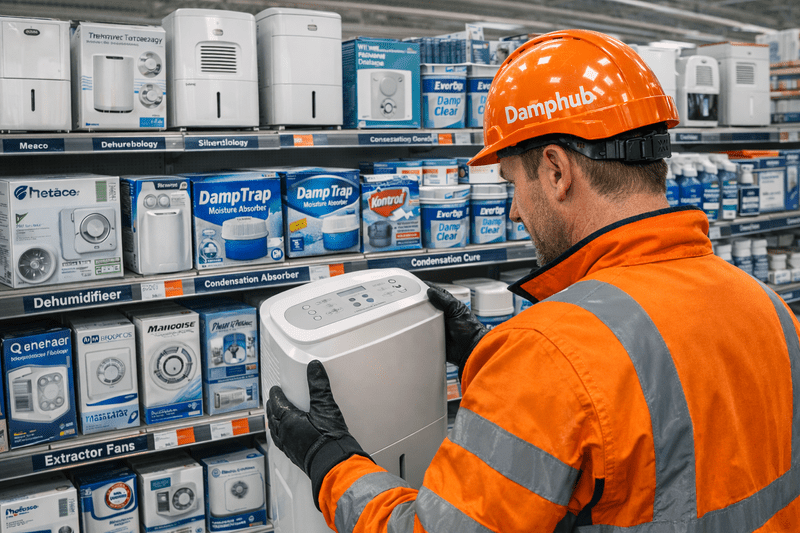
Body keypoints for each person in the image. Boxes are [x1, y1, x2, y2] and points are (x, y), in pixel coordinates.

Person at [266, 29, 800, 532]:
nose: (516, 213)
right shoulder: (769, 308)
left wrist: (332, 464)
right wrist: (489, 354)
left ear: (556, 170)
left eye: (511, 184)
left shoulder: (549, 357)